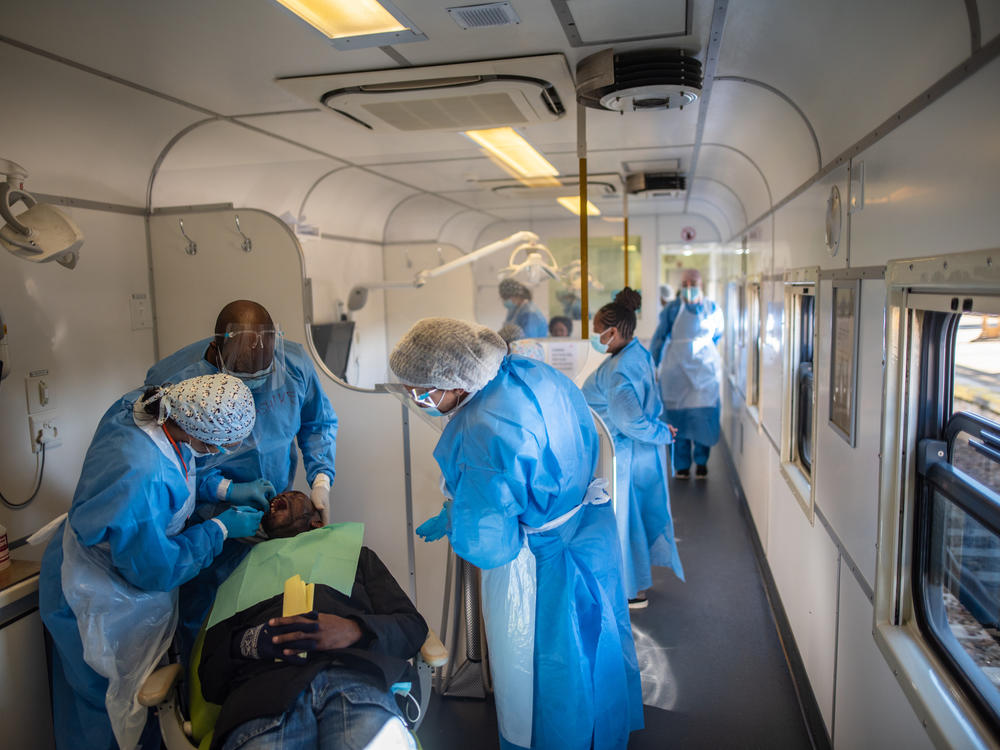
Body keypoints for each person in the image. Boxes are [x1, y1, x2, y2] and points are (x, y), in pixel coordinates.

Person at [390, 318, 642, 750]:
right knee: (597, 645)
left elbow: (491, 544)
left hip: (543, 564)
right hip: (587, 529)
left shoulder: (480, 432)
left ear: (455, 379)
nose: (417, 398)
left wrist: (460, 520)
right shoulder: (530, 373)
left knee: (549, 672)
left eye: (422, 390)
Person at [39, 374, 263, 750]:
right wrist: (221, 529)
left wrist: (224, 488)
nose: (225, 450)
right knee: (104, 708)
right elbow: (153, 568)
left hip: (108, 564)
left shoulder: (154, 408)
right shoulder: (139, 473)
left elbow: (178, 468)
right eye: (225, 444)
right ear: (203, 433)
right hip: (92, 590)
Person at [193, 489, 428, 750]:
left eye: (294, 495)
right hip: (262, 697)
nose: (278, 497)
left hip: (355, 679)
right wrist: (251, 642)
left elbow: (412, 627)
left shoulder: (357, 557)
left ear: (316, 521)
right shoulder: (240, 572)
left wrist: (354, 630)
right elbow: (210, 678)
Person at [146, 300, 338, 522]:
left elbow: (318, 423)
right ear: (215, 351)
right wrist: (226, 491)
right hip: (211, 510)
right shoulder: (177, 384)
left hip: (277, 488)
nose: (256, 385)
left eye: (264, 373)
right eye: (245, 376)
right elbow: (172, 462)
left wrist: (321, 480)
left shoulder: (293, 365)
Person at [582, 288, 684, 608]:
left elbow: (629, 420)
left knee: (623, 522)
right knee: (633, 520)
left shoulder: (620, 370)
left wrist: (661, 432)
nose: (594, 337)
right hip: (633, 450)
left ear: (612, 332)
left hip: (621, 453)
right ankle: (634, 584)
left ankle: (630, 591)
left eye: (597, 332)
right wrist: (659, 431)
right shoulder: (634, 353)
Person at [650, 269, 724, 478]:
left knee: (703, 417)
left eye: (693, 282)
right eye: (685, 283)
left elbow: (717, 335)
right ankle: (681, 465)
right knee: (677, 418)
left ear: (701, 284)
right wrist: (652, 365)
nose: (689, 287)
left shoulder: (713, 309)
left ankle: (702, 462)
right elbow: (659, 338)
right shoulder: (672, 310)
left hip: (704, 373)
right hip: (677, 373)